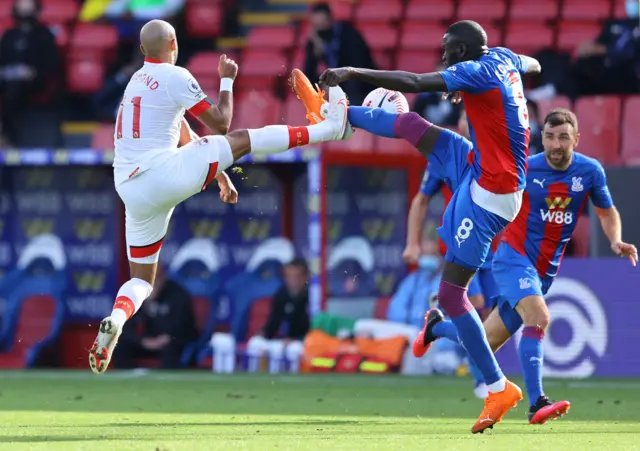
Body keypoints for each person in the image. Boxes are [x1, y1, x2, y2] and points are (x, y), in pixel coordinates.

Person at [291, 20, 542, 433]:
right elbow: (531, 63)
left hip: (490, 194)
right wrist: (523, 69)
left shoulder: (474, 69)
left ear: (461, 52)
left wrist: (352, 72)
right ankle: (337, 116)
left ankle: (498, 387)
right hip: (481, 166)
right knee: (414, 128)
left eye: (447, 49)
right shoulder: (503, 58)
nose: (442, 56)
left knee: (451, 292)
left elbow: (411, 80)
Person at [89, 19, 350, 375]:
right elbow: (222, 124)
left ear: (141, 51)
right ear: (174, 43)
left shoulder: (136, 82)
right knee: (242, 137)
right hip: (161, 174)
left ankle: (116, 319)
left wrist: (220, 173)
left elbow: (179, 129)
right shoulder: (176, 76)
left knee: (141, 281)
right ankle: (328, 128)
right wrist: (227, 78)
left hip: (132, 190)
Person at [423, 109, 638, 424]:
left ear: (576, 139)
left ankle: (435, 327)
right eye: (550, 137)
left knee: (485, 340)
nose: (556, 144)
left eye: (563, 137)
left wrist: (615, 240)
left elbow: (606, 211)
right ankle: (537, 402)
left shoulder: (590, 172)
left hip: (543, 272)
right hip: (512, 258)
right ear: (543, 139)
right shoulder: (526, 170)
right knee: (539, 317)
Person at [0, 0, 62, 148]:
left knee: (13, 90)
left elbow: (51, 64)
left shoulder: (44, 34)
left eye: (28, 7)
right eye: (22, 6)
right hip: (8, 78)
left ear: (35, 10)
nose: (25, 10)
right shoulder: (10, 34)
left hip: (35, 80)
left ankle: (8, 137)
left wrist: (33, 73)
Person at [112, 264, 197, 369]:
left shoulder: (178, 294)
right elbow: (126, 326)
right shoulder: (138, 294)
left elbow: (184, 325)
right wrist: (142, 340)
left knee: (171, 349)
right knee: (121, 346)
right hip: (146, 341)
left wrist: (166, 338)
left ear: (163, 276)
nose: (153, 283)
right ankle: (125, 381)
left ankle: (165, 382)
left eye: (156, 278)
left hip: (168, 341)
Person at [304, 2, 376, 106]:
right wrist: (315, 54)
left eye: (323, 24)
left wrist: (334, 82)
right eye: (317, 26)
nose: (321, 29)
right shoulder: (315, 40)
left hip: (359, 86)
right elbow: (308, 75)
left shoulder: (348, 34)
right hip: (337, 86)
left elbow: (358, 67)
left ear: (330, 20)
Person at [245, 258, 310, 373]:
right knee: (255, 343)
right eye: (289, 276)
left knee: (292, 350)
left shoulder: (311, 297)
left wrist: (295, 339)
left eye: (296, 277)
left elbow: (310, 325)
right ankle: (253, 380)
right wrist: (264, 333)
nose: (292, 281)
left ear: (304, 277)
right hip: (281, 339)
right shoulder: (281, 294)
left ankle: (294, 381)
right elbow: (274, 320)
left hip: (302, 341)